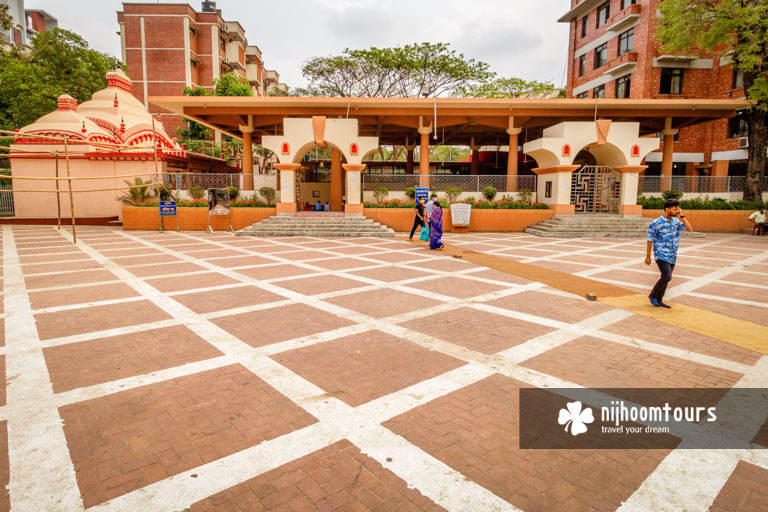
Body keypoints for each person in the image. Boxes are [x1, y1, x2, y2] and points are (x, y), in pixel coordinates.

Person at [645, 198, 693, 308]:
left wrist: (682, 216)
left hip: (672, 254)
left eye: (678, 209)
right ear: (667, 209)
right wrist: (648, 256)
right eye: (675, 209)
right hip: (661, 253)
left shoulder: (676, 221)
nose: (677, 211)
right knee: (667, 276)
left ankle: (659, 299)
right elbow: (649, 239)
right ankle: (652, 295)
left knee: (667, 277)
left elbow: (689, 229)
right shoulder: (656, 223)